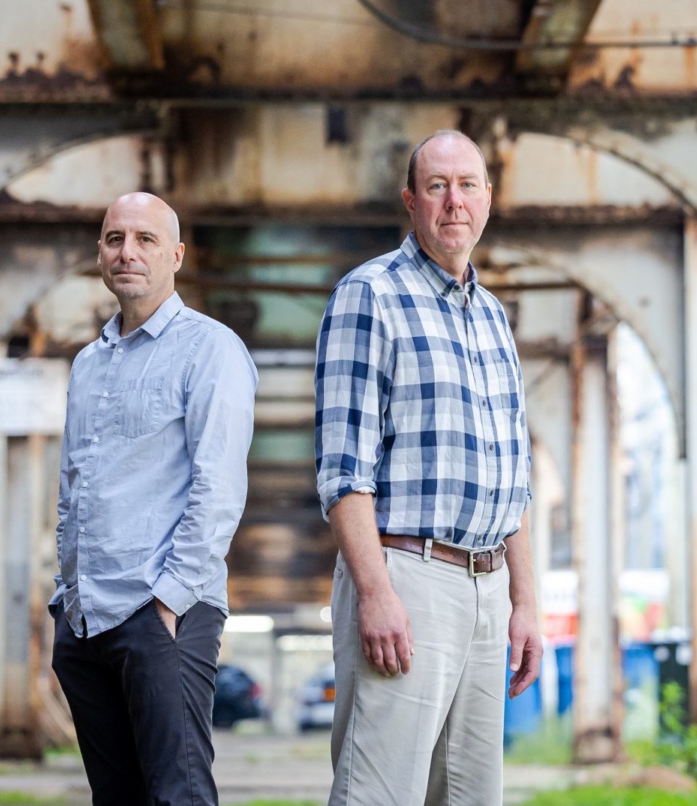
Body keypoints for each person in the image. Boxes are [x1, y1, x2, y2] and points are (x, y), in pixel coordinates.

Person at [314, 131, 541, 805]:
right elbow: (344, 469)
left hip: (487, 588)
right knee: (379, 793)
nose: (454, 201)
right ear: (411, 201)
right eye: (437, 186)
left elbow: (514, 476)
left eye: (467, 185)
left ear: (488, 199)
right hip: (408, 577)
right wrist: (376, 592)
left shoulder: (492, 316)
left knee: (471, 796)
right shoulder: (369, 295)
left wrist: (526, 602)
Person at [50, 191, 258, 806]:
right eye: (115, 239)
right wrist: (66, 595)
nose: (128, 252)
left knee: (178, 795)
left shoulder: (210, 349)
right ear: (100, 253)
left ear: (176, 256)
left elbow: (219, 487)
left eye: (145, 239)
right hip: (86, 618)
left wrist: (169, 602)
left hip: (162, 611)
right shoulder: (88, 363)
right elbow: (73, 486)